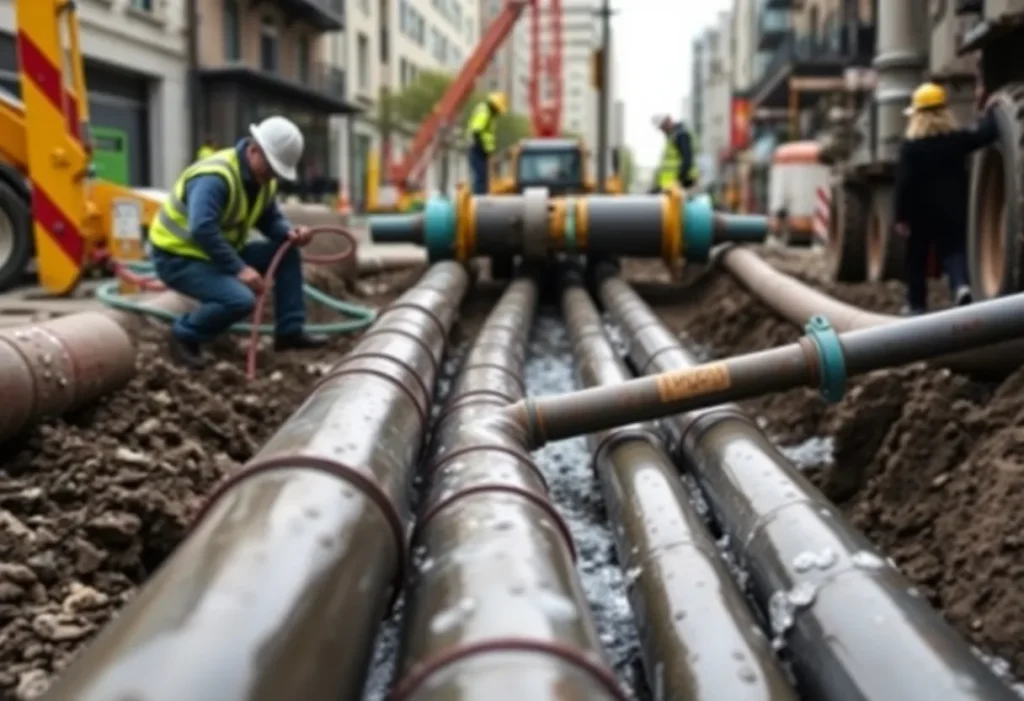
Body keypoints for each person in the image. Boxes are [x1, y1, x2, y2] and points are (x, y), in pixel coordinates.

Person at [148, 116, 328, 369]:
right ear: (253, 150)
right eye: (271, 168)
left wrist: (289, 233)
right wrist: (239, 269)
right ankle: (184, 335)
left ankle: (289, 332)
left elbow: (269, 218)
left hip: (215, 254)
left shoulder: (263, 181)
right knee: (240, 300)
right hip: (178, 258)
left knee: (287, 253)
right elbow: (203, 229)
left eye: (277, 172)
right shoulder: (215, 177)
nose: (272, 176)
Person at [893, 81, 997, 315]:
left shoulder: (911, 148)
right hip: (952, 208)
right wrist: (992, 109)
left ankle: (917, 305)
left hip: (920, 214)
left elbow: (904, 184)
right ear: (944, 112)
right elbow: (985, 134)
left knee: (916, 259)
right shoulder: (955, 140)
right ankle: (961, 285)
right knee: (954, 250)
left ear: (916, 116)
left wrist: (901, 216)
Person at [467, 92, 507, 194]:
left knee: (484, 177)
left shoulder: (489, 114)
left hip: (481, 150)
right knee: (481, 176)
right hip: (477, 149)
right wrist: (483, 148)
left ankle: (481, 196)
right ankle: (479, 199)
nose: (498, 112)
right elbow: (476, 131)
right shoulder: (484, 112)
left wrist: (489, 151)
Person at [649, 114, 698, 194]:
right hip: (673, 185)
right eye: (661, 128)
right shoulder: (672, 138)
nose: (663, 130)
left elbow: (687, 159)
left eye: (663, 127)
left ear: (669, 121)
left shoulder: (681, 135)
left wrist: (678, 180)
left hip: (682, 182)